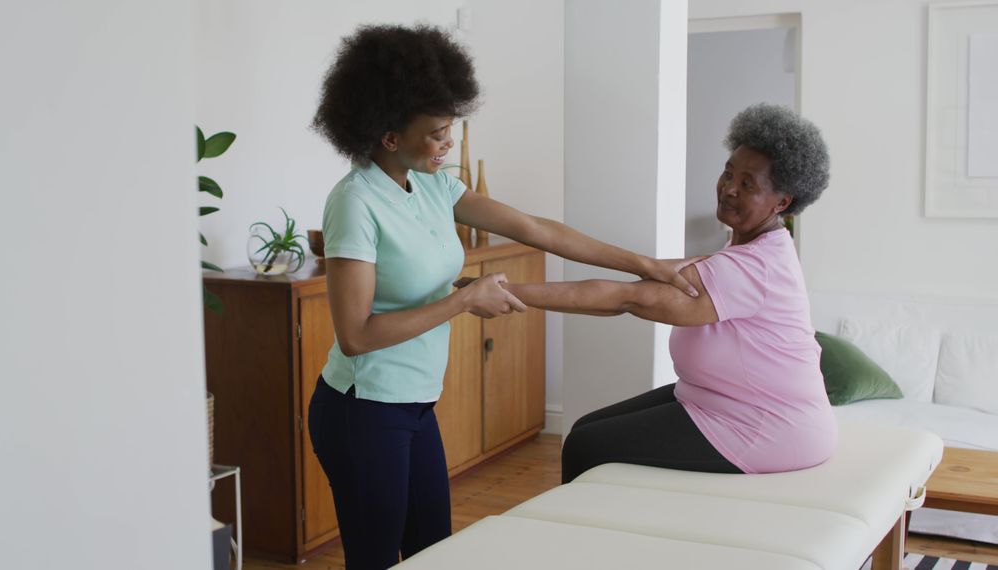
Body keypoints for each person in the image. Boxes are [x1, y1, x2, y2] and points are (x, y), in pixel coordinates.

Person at [307, 24, 697, 569]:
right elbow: (355, 336)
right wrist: (463, 301)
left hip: (415, 405)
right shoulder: (355, 203)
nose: (449, 142)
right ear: (389, 136)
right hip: (363, 411)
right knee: (375, 560)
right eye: (438, 132)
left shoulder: (434, 186)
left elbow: (538, 230)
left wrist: (644, 263)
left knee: (433, 552)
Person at [477, 103, 836, 483]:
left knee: (587, 446)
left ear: (782, 203)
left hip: (768, 427)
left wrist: (506, 290)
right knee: (583, 429)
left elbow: (625, 298)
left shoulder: (754, 267)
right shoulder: (752, 250)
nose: (729, 188)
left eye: (748, 184)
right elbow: (635, 291)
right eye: (728, 173)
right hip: (716, 399)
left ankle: (592, 539)